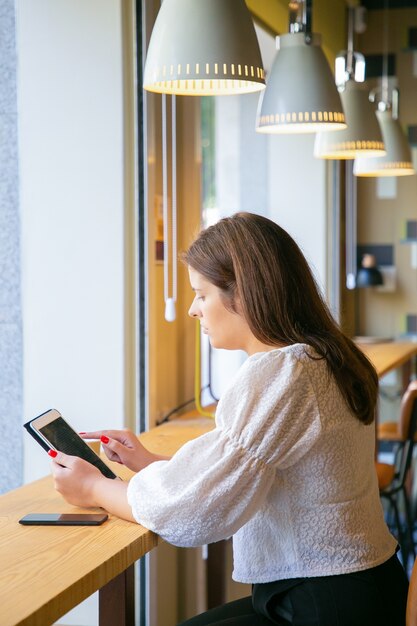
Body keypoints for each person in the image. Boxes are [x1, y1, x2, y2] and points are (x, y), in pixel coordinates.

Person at [50, 212, 408, 625]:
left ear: (244, 293)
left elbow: (195, 514)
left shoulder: (282, 374)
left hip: (325, 602)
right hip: (360, 587)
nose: (192, 309)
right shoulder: (323, 356)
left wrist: (94, 486)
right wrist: (151, 464)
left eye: (201, 294)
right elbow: (253, 473)